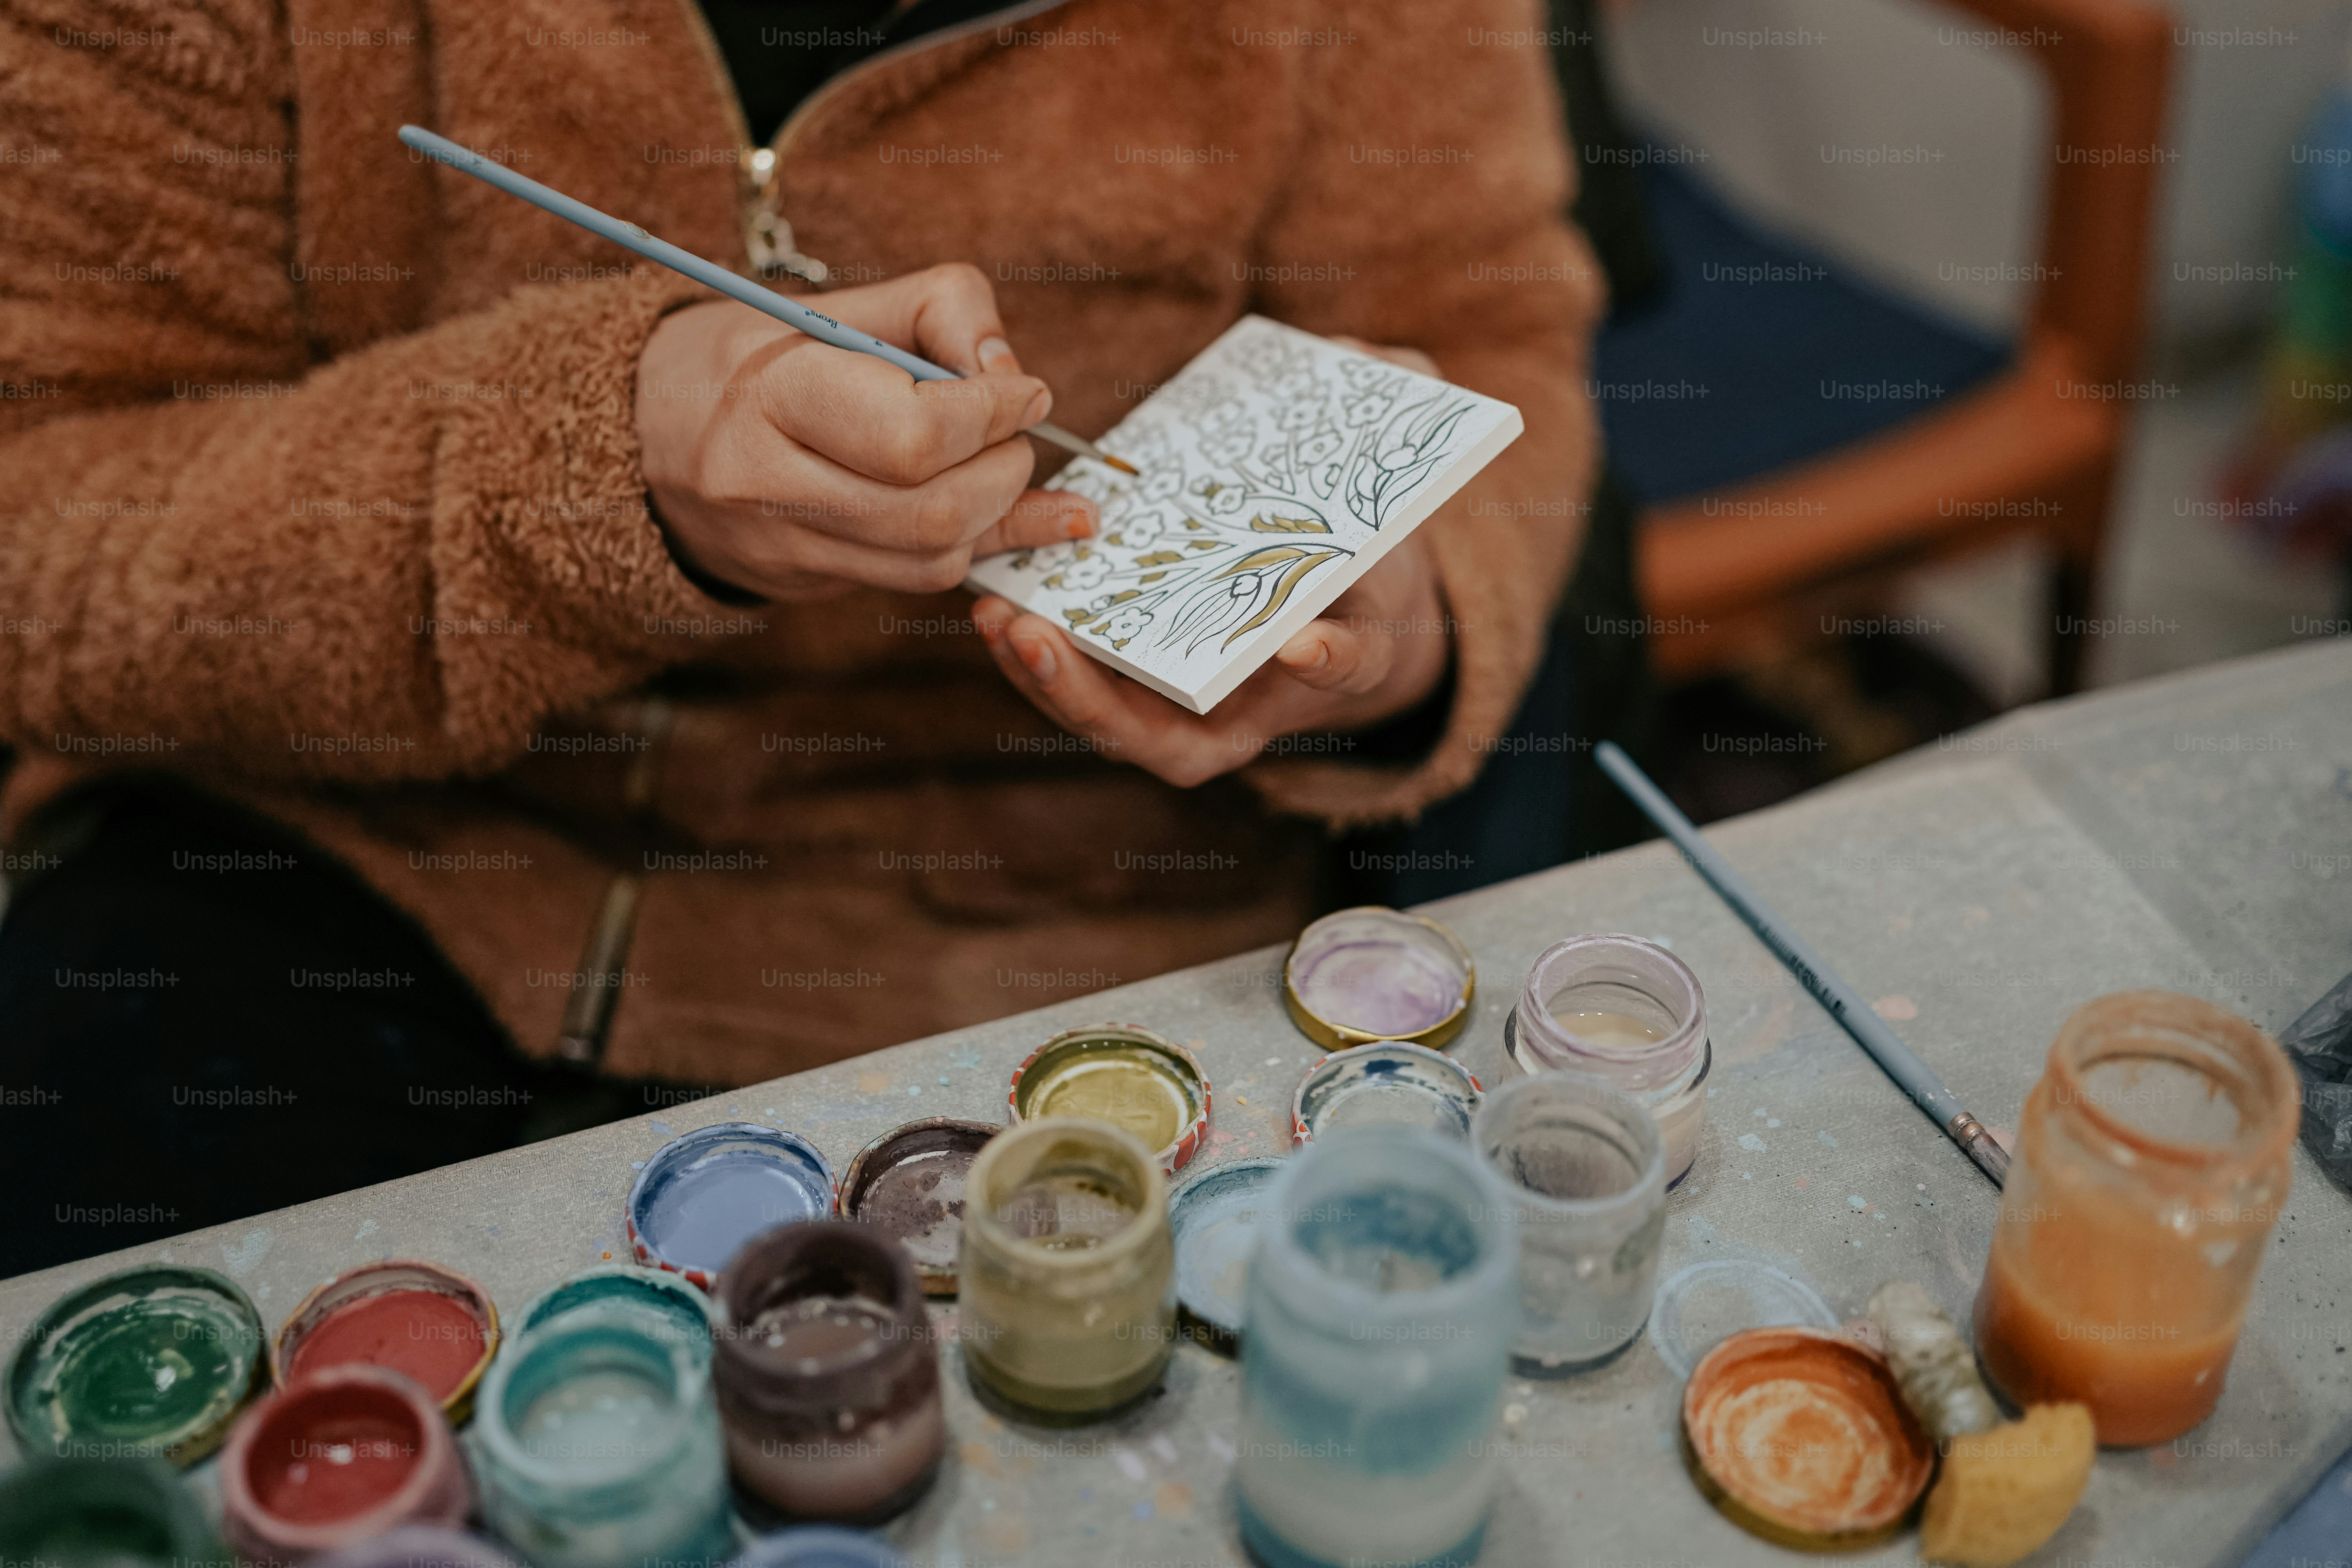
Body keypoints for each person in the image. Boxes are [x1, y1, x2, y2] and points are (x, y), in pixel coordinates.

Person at [0, 0, 1602, 1270]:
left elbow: (1488, 325)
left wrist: (1406, 623)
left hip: (1049, 916)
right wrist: (590, 463)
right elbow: (46, 528)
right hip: (347, 868)